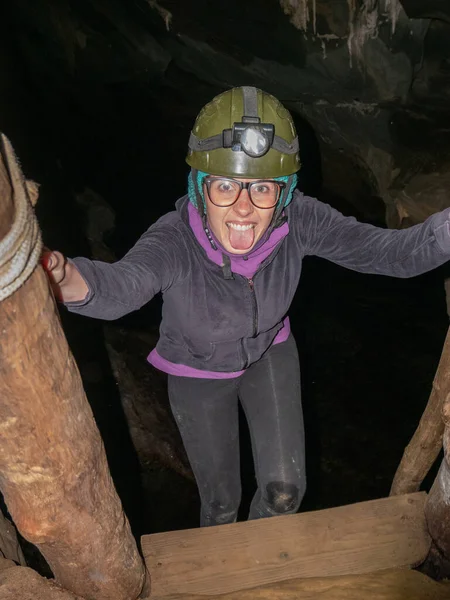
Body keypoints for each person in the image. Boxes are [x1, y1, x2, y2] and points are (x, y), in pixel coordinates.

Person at [42, 86, 450, 527]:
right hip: (197, 374)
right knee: (219, 505)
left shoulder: (300, 219)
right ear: (200, 187)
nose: (243, 207)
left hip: (269, 355)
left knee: (284, 494)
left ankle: (260, 565)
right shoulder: (173, 239)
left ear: (285, 191)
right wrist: (63, 278)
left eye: (261, 188)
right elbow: (123, 285)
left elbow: (388, 253)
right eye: (225, 186)